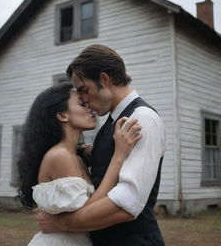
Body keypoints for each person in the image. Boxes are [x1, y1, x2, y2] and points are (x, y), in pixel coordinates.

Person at [37, 44, 166, 246]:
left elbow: (126, 204)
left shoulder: (141, 119)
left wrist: (62, 224)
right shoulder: (109, 124)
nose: (85, 100)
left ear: (104, 79)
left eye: (84, 90)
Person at [17, 82, 142, 246]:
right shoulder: (59, 156)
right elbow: (89, 209)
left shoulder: (74, 155)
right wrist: (119, 155)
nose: (90, 108)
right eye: (82, 104)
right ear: (62, 115)